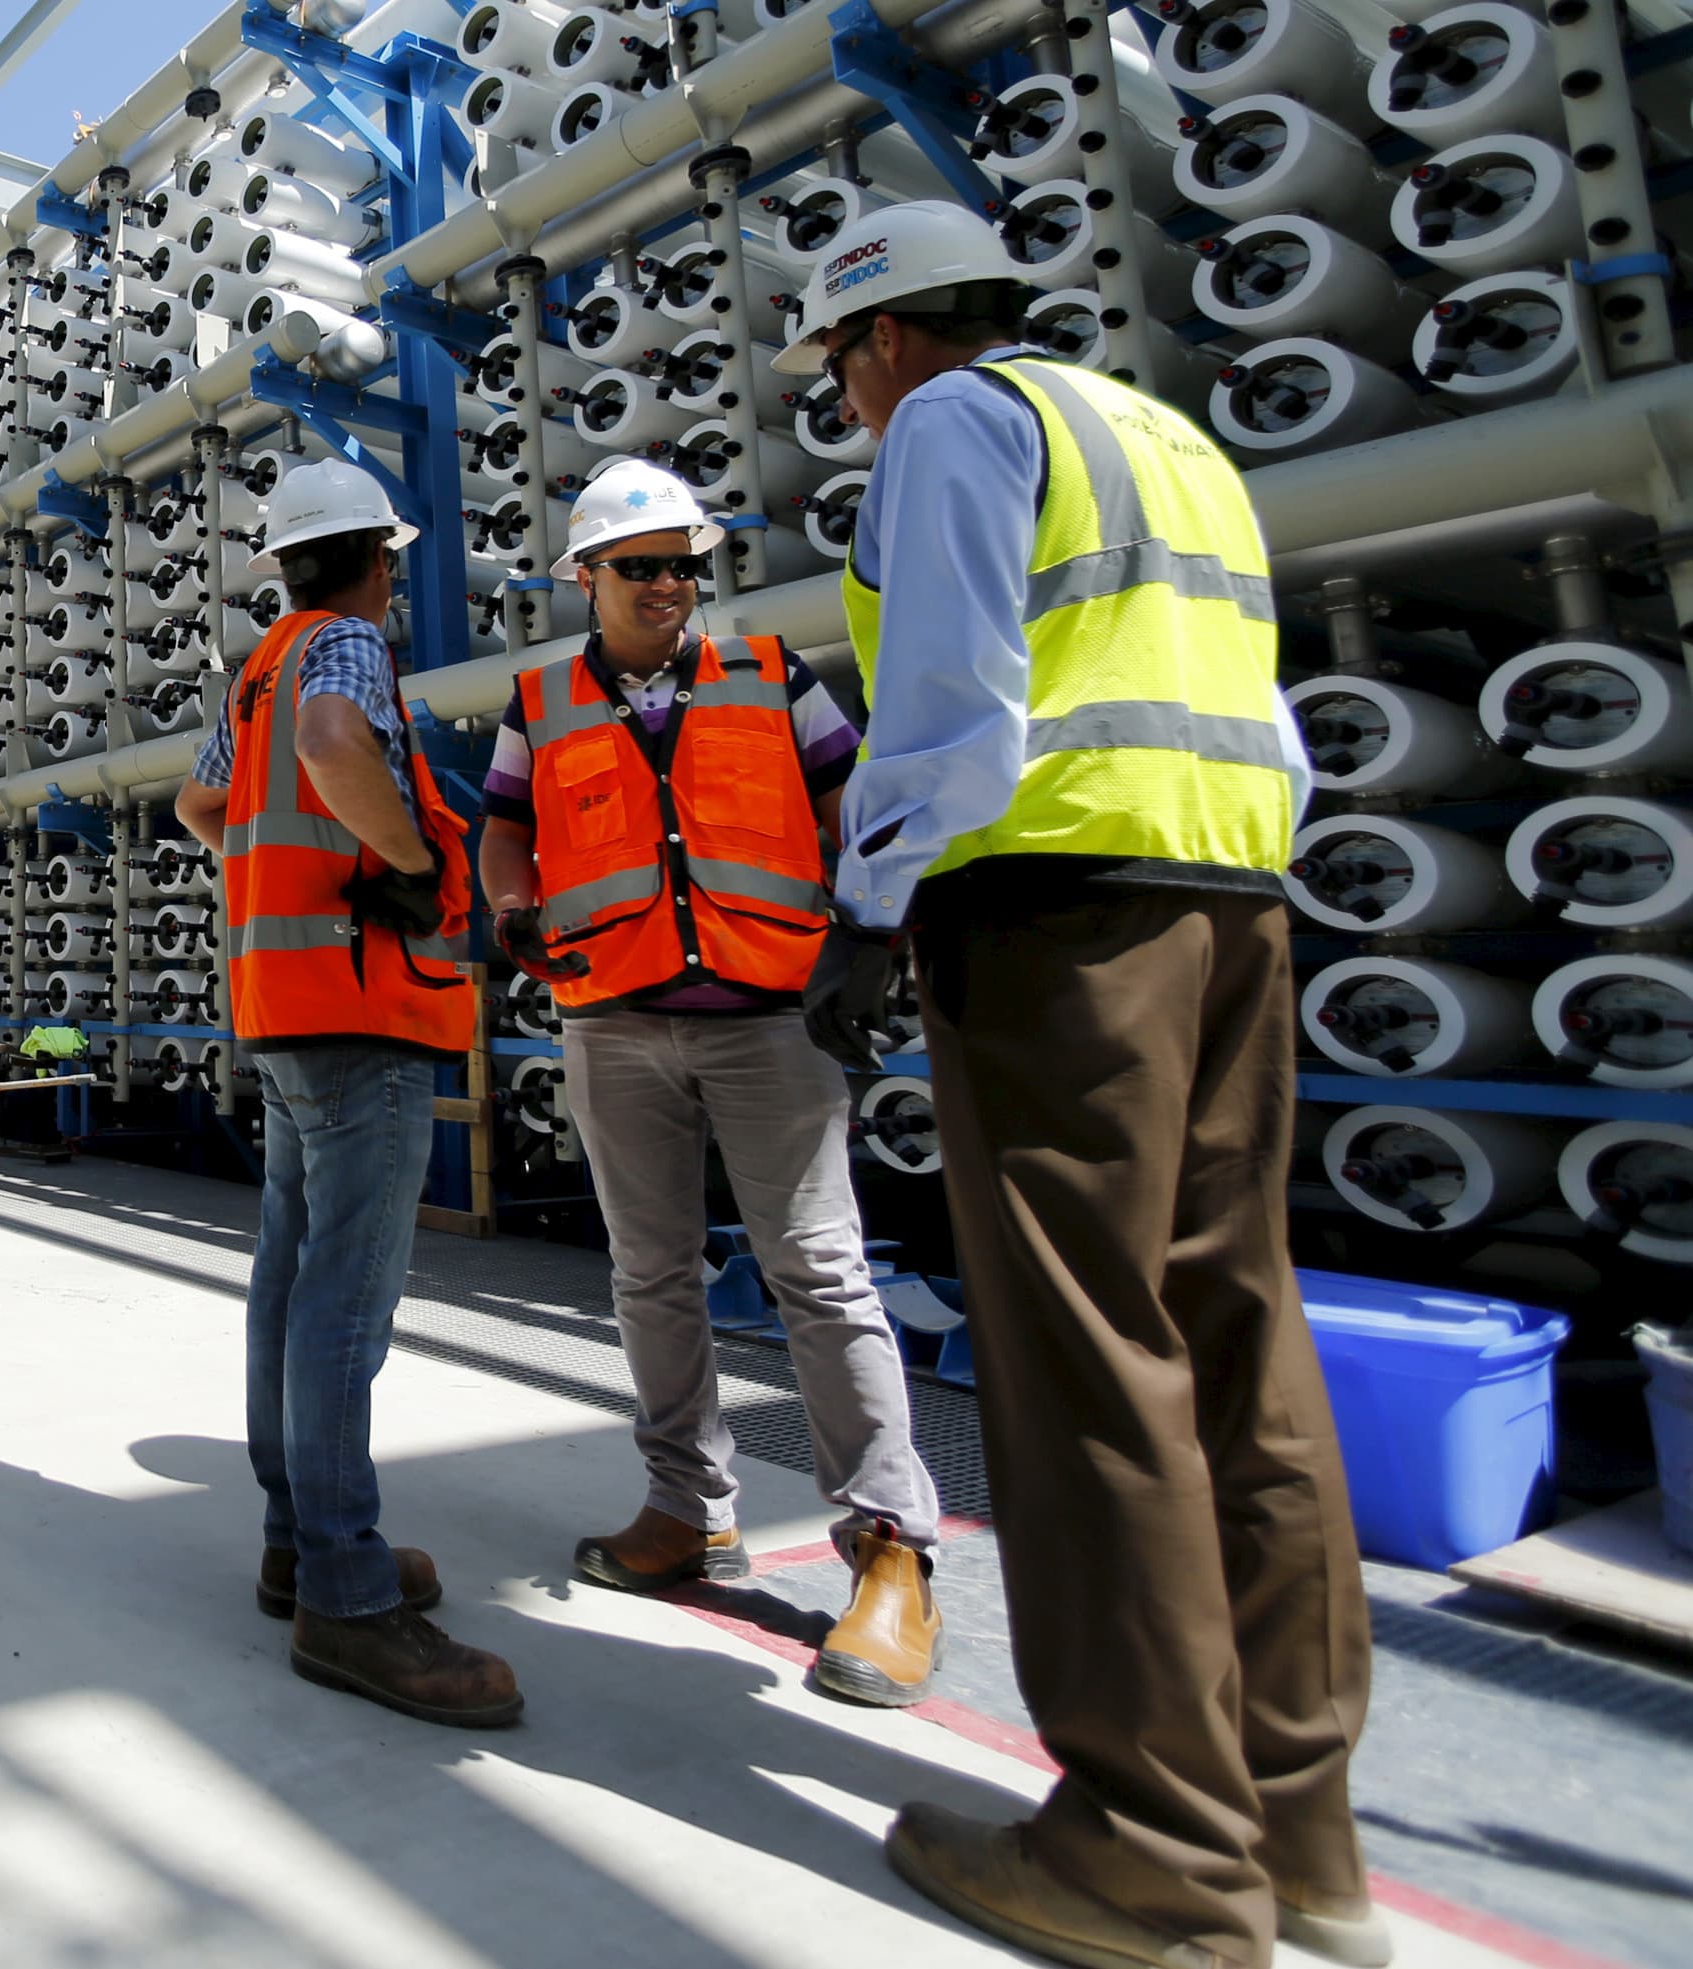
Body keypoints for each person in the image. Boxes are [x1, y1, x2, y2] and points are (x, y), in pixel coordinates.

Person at [777, 202, 1380, 1969]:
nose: (852, 399)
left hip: (1057, 920)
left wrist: (872, 907)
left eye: (843, 368)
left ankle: (1150, 1851)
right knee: (1239, 1344)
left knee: (1087, 1360)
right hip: (1232, 905)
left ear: (883, 337)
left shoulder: (960, 423)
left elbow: (956, 703)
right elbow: (1268, 723)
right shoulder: (1170, 439)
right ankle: (1300, 1833)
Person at [475, 457, 945, 1707]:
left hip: (765, 1018)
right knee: (647, 1273)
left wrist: (873, 931)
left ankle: (889, 1551)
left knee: (819, 1273)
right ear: (585, 578)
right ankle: (686, 1510)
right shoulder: (540, 700)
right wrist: (509, 901)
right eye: (644, 568)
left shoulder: (770, 676)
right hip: (613, 1019)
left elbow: (853, 798)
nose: (673, 587)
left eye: (688, 564)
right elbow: (507, 823)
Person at [173, 456, 513, 1731]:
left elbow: (201, 804)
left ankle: (293, 1544)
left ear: (284, 562)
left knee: (287, 1280)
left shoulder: (256, 666)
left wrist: (289, 880)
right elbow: (333, 746)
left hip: (277, 1007)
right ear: (382, 559)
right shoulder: (346, 651)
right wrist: (409, 854)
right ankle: (348, 1595)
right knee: (342, 1305)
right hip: (361, 1010)